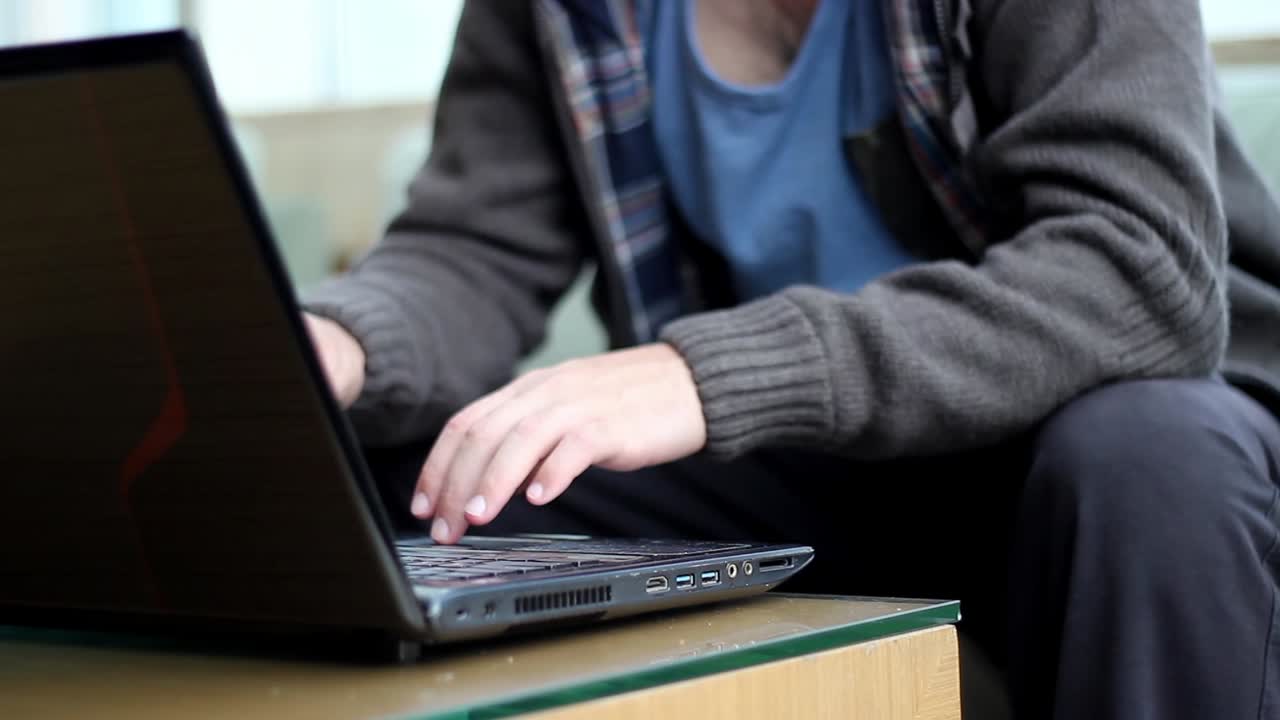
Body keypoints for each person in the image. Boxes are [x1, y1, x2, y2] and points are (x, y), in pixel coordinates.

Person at [301, 1, 1280, 717]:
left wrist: (703, 373)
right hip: (817, 462)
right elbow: (476, 246)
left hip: (1108, 430)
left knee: (1141, 461)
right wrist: (337, 346)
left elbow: (1135, 269)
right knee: (438, 489)